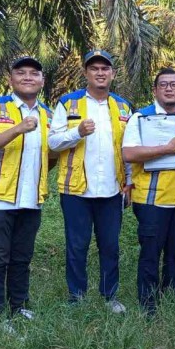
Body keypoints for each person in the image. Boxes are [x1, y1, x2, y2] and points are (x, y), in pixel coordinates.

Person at [0, 55, 53, 330]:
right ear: (11, 79)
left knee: (21, 258)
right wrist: (18, 129)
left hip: (31, 200)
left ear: (42, 81)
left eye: (34, 73)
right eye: (21, 73)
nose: (28, 77)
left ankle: (19, 306)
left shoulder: (48, 115)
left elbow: (51, 155)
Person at [49, 50, 132, 313]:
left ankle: (110, 296)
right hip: (76, 189)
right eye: (94, 68)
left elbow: (128, 148)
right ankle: (77, 296)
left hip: (112, 190)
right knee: (77, 245)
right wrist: (77, 132)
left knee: (110, 245)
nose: (100, 73)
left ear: (112, 74)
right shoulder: (68, 103)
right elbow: (52, 142)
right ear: (85, 73)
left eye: (105, 69)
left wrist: (129, 182)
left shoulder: (123, 107)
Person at [122, 68, 175, 317]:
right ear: (155, 90)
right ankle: (148, 305)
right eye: (163, 84)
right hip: (152, 201)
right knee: (150, 255)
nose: (169, 88)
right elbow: (129, 154)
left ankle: (172, 299)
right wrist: (166, 149)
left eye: (174, 84)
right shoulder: (140, 118)